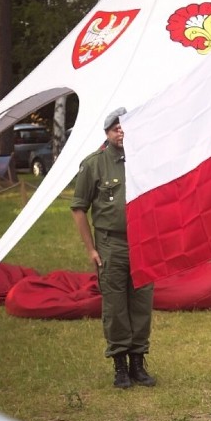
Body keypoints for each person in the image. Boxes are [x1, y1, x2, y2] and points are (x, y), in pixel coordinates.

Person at [71, 107, 156, 389]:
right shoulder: (94, 164)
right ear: (107, 133)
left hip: (142, 242)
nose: (121, 132)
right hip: (112, 243)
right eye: (116, 128)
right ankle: (119, 365)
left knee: (142, 303)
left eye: (125, 127)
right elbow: (79, 208)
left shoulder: (143, 160)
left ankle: (137, 363)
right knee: (116, 305)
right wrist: (91, 249)